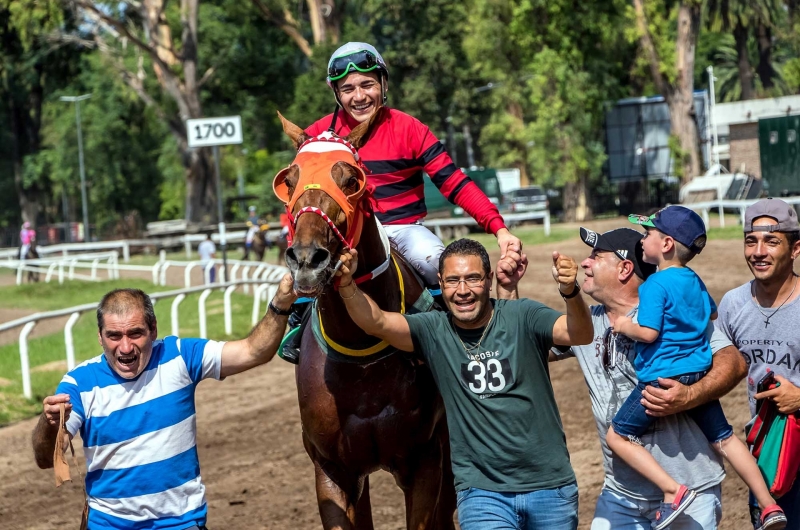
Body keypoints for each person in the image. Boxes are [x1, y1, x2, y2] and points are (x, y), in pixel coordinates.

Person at [281, 41, 521, 363]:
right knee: (298, 274)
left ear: (383, 83)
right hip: (343, 234)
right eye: (348, 88)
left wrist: (499, 229)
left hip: (404, 230)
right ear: (336, 93)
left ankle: (468, 345)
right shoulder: (317, 137)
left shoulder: (410, 128)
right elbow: (299, 200)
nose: (359, 96)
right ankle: (299, 326)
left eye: (367, 84)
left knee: (440, 263)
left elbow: (454, 182)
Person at [334, 238, 593, 530]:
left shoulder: (523, 315)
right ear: (441, 283)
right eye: (453, 281)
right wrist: (346, 285)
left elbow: (580, 334)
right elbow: (376, 322)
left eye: (472, 279)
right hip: (482, 494)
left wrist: (570, 292)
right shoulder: (433, 330)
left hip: (550, 488)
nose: (463, 291)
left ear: (489, 279)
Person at [31, 278, 298, 529]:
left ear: (154, 329)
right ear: (100, 336)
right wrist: (49, 423)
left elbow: (253, 351)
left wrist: (280, 304)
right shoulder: (79, 383)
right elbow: (47, 459)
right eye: (114, 336)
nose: (125, 348)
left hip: (180, 522)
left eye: (135, 334)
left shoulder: (180, 355)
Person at [550, 226, 748, 529]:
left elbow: (733, 362)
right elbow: (520, 344)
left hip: (691, 488)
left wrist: (690, 395)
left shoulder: (672, 313)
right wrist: (508, 287)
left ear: (624, 268)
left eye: (595, 255)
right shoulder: (584, 323)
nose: (584, 263)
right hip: (621, 493)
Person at [605, 206, 785, 530]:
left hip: (662, 378)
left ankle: (673, 491)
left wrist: (622, 326)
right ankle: (770, 505)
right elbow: (711, 315)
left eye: (648, 234)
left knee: (618, 436)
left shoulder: (654, 286)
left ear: (666, 244)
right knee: (726, 439)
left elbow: (648, 332)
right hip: (698, 373)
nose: (642, 240)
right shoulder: (694, 279)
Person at [714, 198, 800, 529]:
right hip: (766, 458)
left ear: (795, 249)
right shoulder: (734, 305)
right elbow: (714, 366)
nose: (758, 251)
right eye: (751, 241)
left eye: (771, 241)